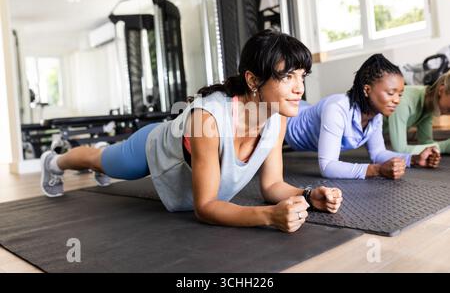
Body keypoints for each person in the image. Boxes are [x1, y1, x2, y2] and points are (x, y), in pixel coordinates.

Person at [39, 29, 343, 234]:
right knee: (101, 160)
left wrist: (307, 194)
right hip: (156, 149)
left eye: (302, 76)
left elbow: (272, 185)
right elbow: (206, 206)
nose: (299, 88)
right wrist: (268, 216)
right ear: (253, 80)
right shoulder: (207, 120)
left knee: (103, 160)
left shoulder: (277, 118)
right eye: (288, 76)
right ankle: (53, 163)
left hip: (186, 160)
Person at [285, 54, 441, 180]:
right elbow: (327, 166)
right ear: (367, 90)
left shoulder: (375, 116)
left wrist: (414, 159)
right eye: (391, 93)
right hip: (286, 120)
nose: (397, 100)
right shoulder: (337, 109)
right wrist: (376, 170)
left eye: (400, 94)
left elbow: (378, 153)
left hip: (302, 111)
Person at [384, 71, 450, 154]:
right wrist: (445, 146)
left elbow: (426, 143)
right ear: (442, 90)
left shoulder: (429, 105)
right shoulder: (404, 102)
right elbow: (400, 149)